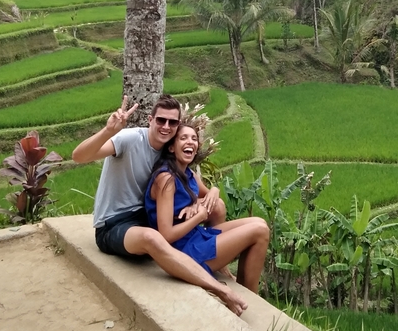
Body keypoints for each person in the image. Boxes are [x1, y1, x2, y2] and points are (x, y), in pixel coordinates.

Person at [72, 94, 247, 315]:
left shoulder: (167, 150)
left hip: (145, 216)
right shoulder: (130, 139)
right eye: (161, 120)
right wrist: (109, 130)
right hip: (114, 224)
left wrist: (209, 194)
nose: (166, 126)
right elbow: (78, 156)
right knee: (151, 237)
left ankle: (215, 265)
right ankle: (219, 289)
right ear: (150, 119)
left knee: (218, 206)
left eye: (172, 122)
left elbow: (196, 183)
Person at [145, 117, 270, 294]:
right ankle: (251, 295)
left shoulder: (187, 173)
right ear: (171, 147)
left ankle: (244, 288)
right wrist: (199, 217)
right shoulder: (166, 179)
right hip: (182, 253)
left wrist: (213, 192)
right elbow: (165, 236)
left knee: (258, 221)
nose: (190, 142)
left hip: (195, 238)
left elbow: (209, 192)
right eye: (183, 138)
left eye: (194, 138)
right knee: (260, 231)